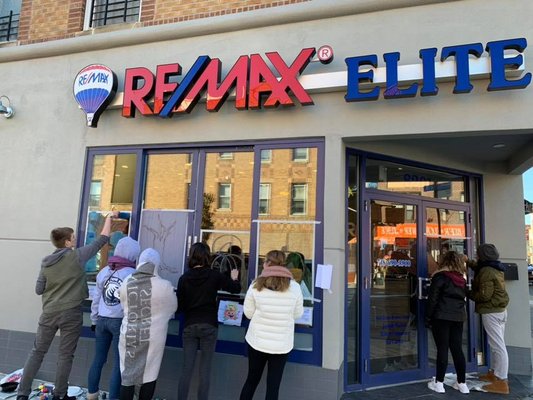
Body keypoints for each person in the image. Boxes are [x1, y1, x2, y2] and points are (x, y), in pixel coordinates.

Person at [16, 214, 113, 400]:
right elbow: (102, 239)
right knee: (65, 355)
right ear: (67, 242)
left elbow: (39, 290)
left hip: (49, 313)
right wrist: (109, 218)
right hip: (71, 313)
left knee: (37, 352)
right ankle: (59, 395)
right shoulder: (77, 256)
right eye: (74, 238)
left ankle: (22, 394)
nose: (75, 241)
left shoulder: (46, 263)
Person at [177, 242, 241, 400]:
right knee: (205, 371)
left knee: (186, 370)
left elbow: (180, 307)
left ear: (191, 256)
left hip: (190, 325)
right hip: (209, 325)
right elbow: (235, 289)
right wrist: (235, 278)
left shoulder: (184, 278)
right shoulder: (213, 275)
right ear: (207, 256)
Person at [239, 250, 304, 400]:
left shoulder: (256, 285)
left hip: (257, 342)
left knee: (251, 380)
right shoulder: (295, 287)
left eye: (264, 262)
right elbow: (298, 314)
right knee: (273, 386)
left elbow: (248, 314)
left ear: (268, 264)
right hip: (281, 345)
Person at [118, 248, 176, 400]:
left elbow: (123, 305)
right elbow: (172, 308)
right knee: (150, 373)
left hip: (129, 335)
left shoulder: (126, 282)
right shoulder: (165, 286)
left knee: (127, 375)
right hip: (152, 338)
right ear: (156, 265)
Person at [87, 236, 140, 400]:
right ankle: (114, 397)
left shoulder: (103, 271)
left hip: (101, 320)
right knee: (119, 364)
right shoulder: (132, 274)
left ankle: (91, 393)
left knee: (98, 359)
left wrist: (94, 319)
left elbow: (96, 298)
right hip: (120, 322)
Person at [467, 243, 510, 394]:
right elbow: (479, 268)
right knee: (497, 344)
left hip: (491, 311)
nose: (476, 256)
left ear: (482, 256)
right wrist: (468, 262)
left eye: (477, 254)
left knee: (498, 346)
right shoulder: (495, 267)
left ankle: (502, 381)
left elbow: (484, 295)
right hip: (500, 310)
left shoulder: (486, 271)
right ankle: (495, 374)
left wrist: (469, 293)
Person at [425, 251, 469, 394]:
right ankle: (462, 384)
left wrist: (428, 317)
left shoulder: (440, 277)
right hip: (458, 317)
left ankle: (439, 383)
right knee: (457, 349)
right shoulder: (461, 279)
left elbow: (432, 300)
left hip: (442, 317)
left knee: (442, 349)